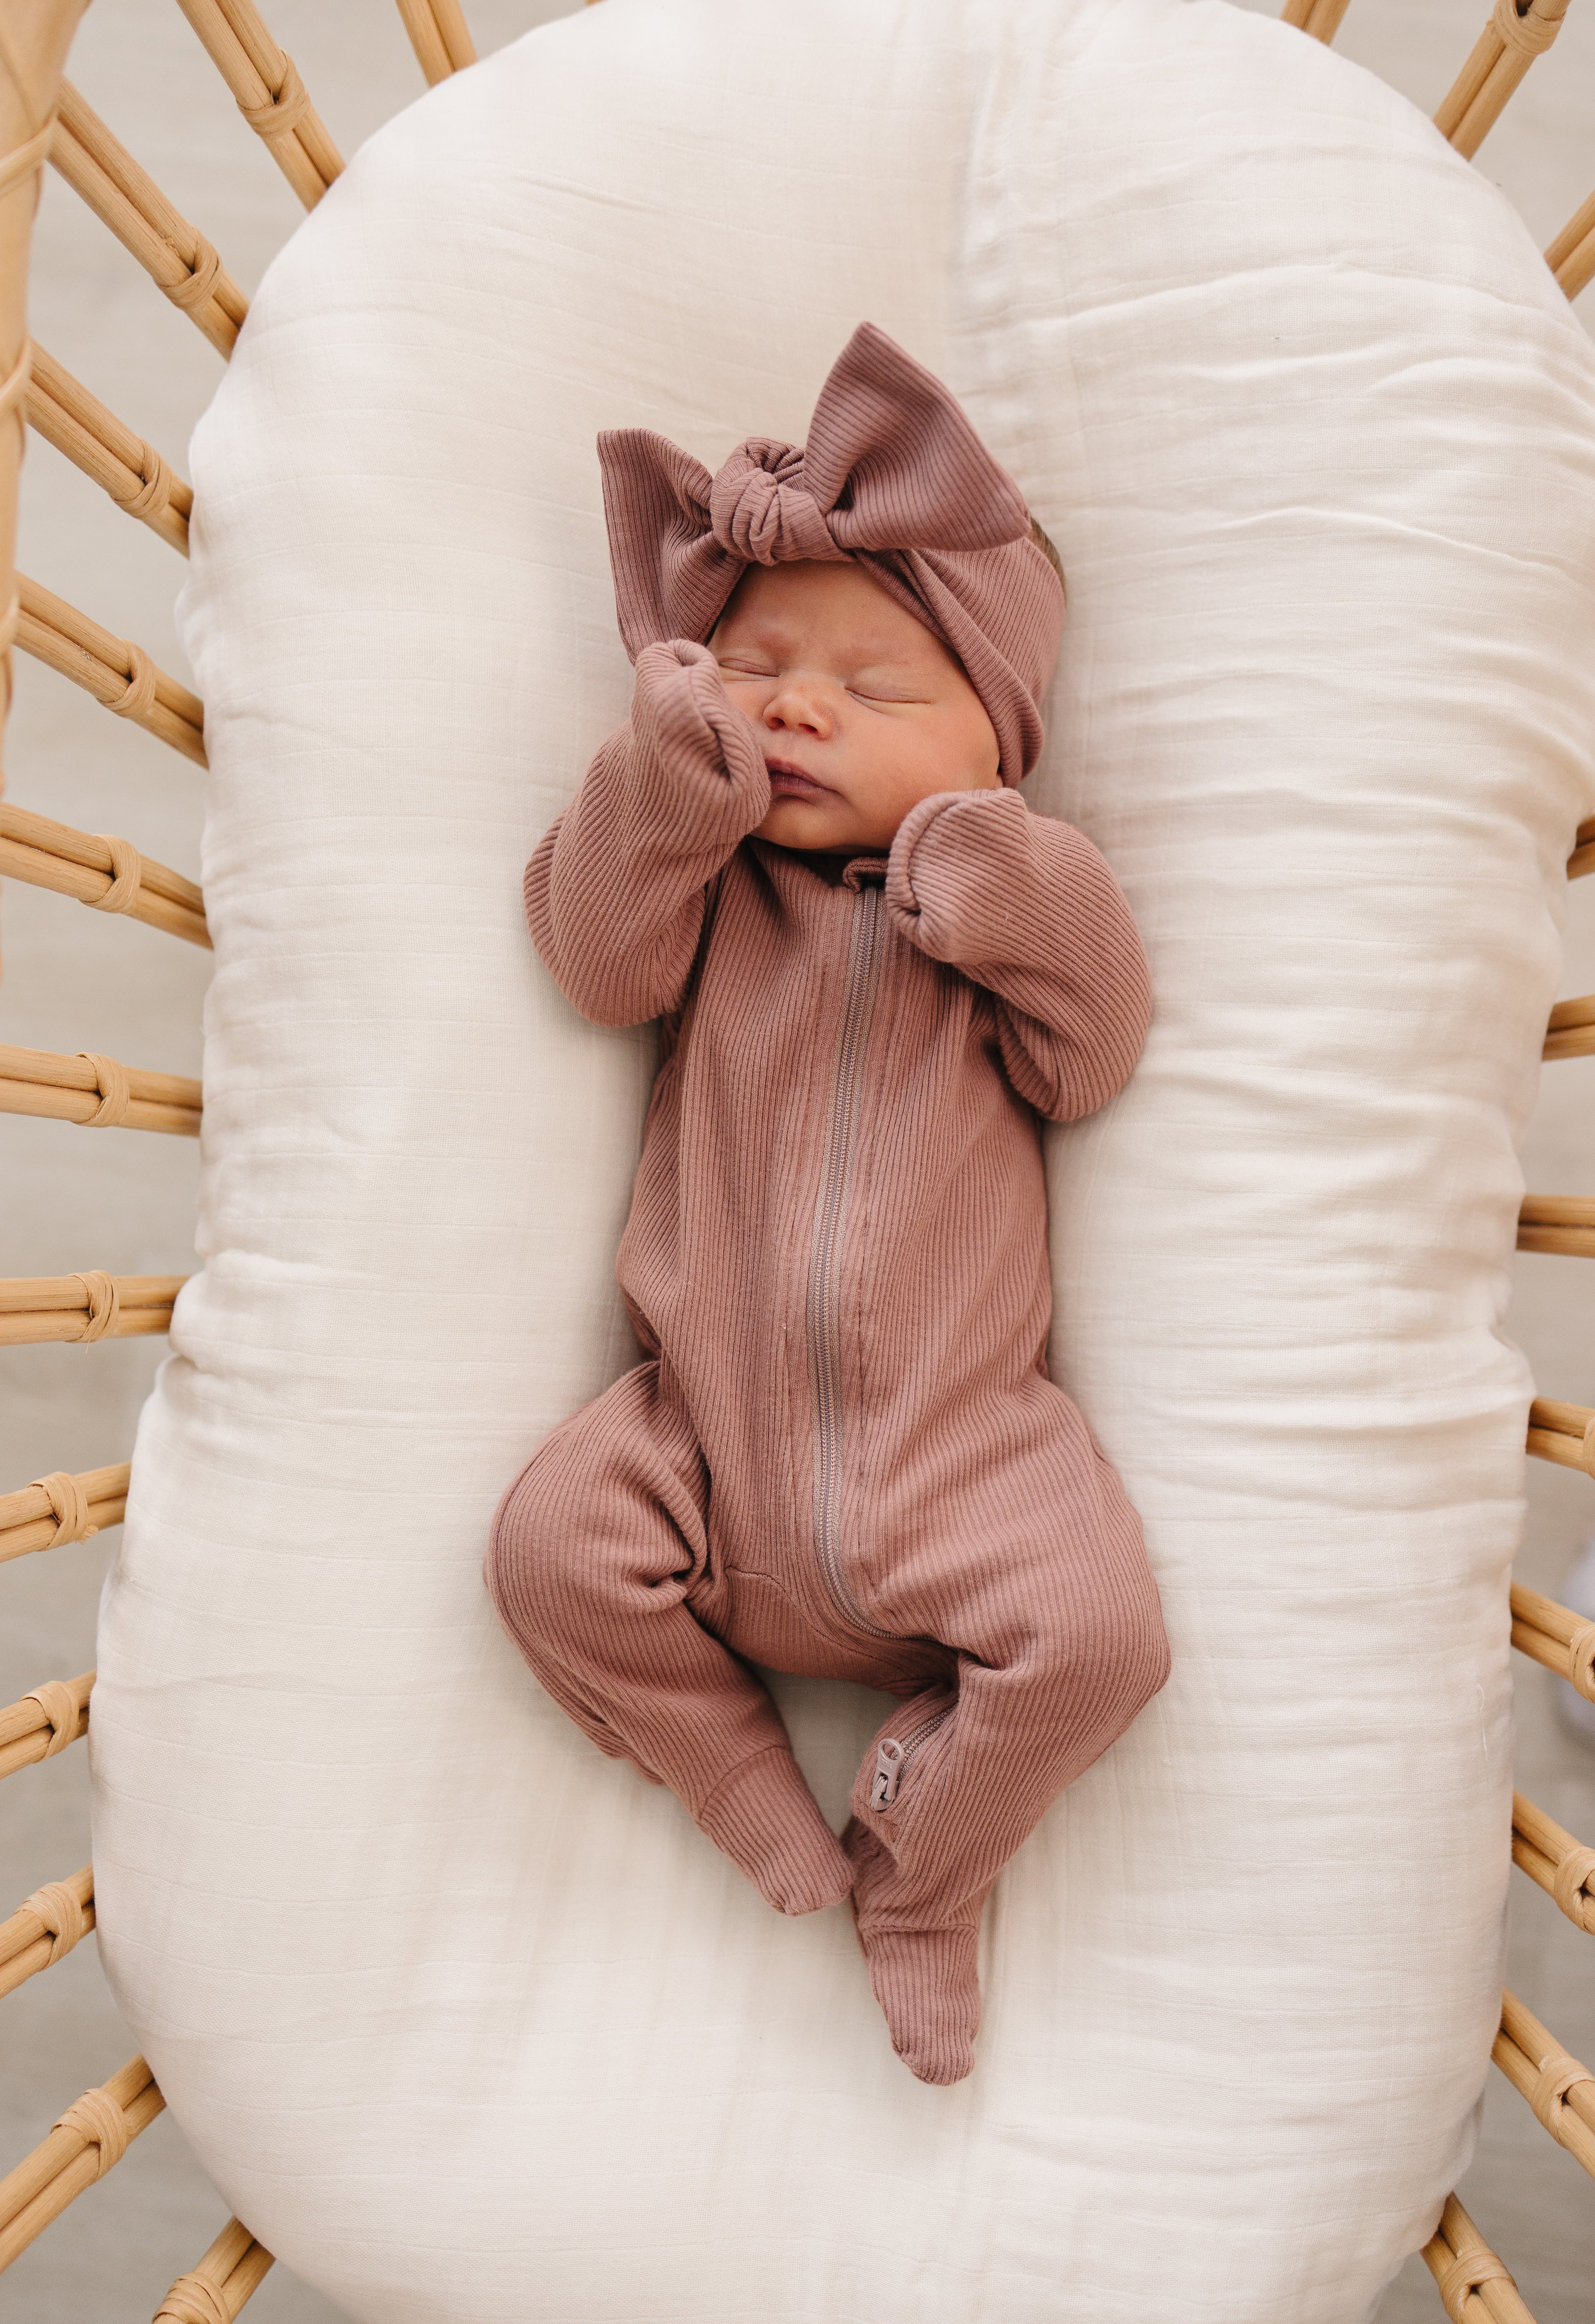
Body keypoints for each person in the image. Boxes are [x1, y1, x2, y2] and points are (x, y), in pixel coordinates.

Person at [486, 324, 1170, 2085]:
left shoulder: (1007, 905)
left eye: (877, 693)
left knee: (1102, 1643)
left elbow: (1092, 1057)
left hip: (965, 1460)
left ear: (1000, 743)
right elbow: (592, 959)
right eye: (754, 671)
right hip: (697, 1450)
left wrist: (1000, 872)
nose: (797, 710)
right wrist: (660, 785)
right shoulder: (715, 895)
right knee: (545, 1551)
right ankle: (735, 1775)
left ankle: (925, 1873)